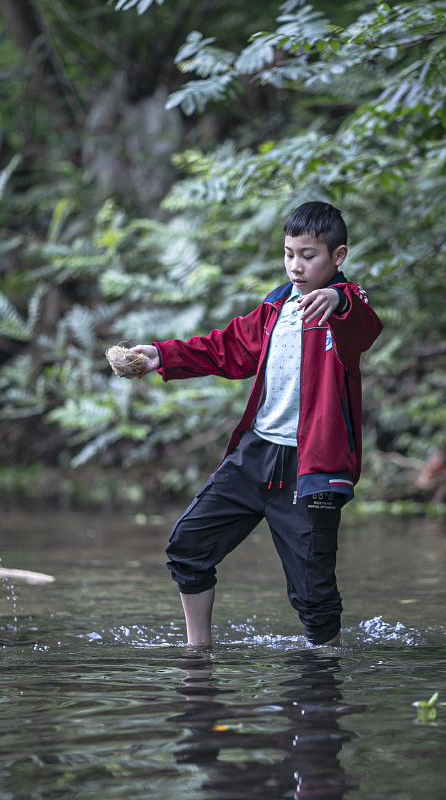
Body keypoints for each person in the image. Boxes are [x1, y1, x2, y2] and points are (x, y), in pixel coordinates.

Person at [126, 201, 382, 646]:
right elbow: (225, 349)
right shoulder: (275, 306)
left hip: (313, 468)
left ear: (337, 257)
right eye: (288, 254)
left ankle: (326, 682)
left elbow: (363, 324)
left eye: (308, 255)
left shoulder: (343, 309)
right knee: (187, 548)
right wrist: (162, 355)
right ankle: (197, 653)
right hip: (254, 456)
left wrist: (338, 297)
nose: (296, 266)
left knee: (314, 597)